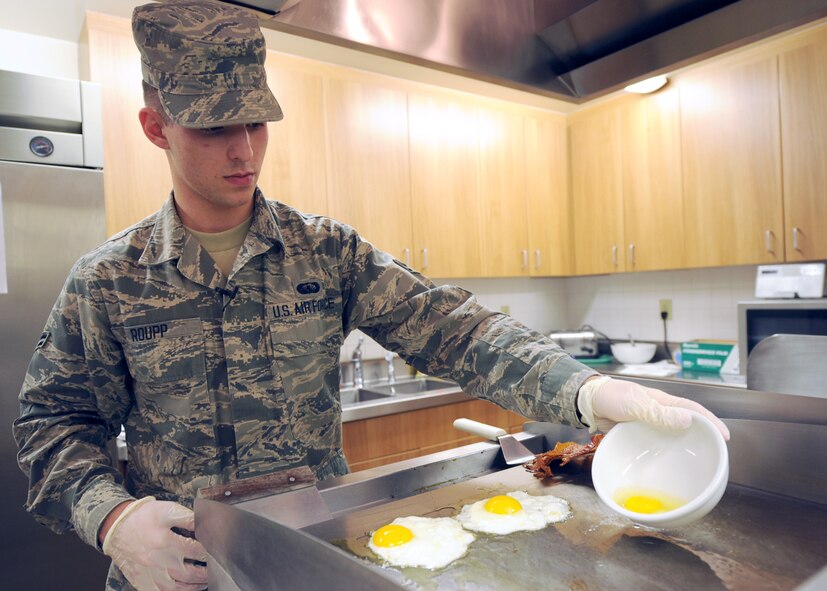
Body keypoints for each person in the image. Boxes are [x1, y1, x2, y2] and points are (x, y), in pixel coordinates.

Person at [14, 1, 730, 590]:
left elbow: (458, 331)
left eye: (256, 123)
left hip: (314, 562)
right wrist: (111, 520)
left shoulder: (326, 251)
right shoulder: (110, 279)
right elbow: (51, 423)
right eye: (212, 128)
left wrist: (589, 393)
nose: (244, 151)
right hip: (175, 571)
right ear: (155, 128)